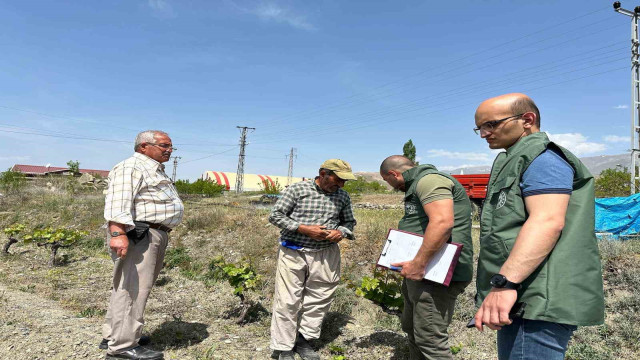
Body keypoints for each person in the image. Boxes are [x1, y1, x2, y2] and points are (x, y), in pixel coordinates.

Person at [472, 93, 605, 359]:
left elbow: (546, 221)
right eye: (480, 128)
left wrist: (504, 283)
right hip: (526, 293)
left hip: (537, 296)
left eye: (491, 125)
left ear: (527, 120)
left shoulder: (543, 160)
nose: (485, 133)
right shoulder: (517, 158)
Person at [379, 155, 473, 360]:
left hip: (434, 274)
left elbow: (442, 223)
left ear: (393, 174)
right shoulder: (418, 184)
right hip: (422, 271)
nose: (390, 186)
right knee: (413, 329)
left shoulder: (429, 181)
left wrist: (419, 264)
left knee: (430, 340)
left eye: (388, 181)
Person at [101, 130, 184, 360]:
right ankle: (122, 347)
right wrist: (117, 233)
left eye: (171, 147)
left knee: (126, 287)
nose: (169, 150)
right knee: (133, 289)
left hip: (153, 234)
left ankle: (114, 335)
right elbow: (118, 201)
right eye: (164, 146)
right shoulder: (132, 167)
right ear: (144, 146)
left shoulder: (152, 168)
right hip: (141, 235)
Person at [269, 159, 357, 360]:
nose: (341, 185)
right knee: (287, 300)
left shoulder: (342, 196)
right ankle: (283, 348)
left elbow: (349, 222)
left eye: (345, 181)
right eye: (338, 179)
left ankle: (304, 340)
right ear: (323, 173)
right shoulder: (297, 190)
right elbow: (275, 215)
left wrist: (341, 232)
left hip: (326, 253)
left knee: (320, 297)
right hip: (294, 251)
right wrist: (302, 228)